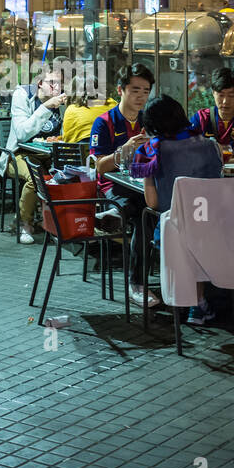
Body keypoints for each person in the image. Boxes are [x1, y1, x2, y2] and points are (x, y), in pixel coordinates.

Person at [130, 94, 223, 324]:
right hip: (212, 227)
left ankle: (181, 299)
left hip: (174, 233)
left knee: (165, 224)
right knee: (196, 231)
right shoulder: (210, 145)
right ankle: (198, 303)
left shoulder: (154, 150)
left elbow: (153, 203)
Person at [89, 62, 155, 298]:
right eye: (135, 90)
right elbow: (98, 166)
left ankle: (115, 217)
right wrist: (123, 150)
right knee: (143, 215)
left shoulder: (149, 121)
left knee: (156, 209)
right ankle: (137, 285)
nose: (141, 97)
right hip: (113, 187)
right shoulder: (104, 122)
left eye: (146, 91)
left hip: (144, 186)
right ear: (121, 90)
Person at [0, 66, 68, 244]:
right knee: (34, 179)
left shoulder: (62, 102)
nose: (57, 88)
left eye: (60, 83)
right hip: (19, 154)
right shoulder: (22, 96)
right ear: (39, 83)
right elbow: (22, 134)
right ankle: (24, 224)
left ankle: (59, 224)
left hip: (51, 154)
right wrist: (45, 107)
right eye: (52, 83)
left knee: (70, 176)